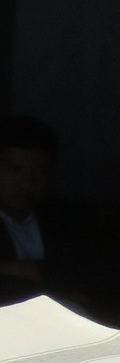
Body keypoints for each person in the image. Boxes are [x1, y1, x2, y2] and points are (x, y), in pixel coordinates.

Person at [0, 116, 57, 307]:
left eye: (39, 172)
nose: (27, 183)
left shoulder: (64, 218)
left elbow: (87, 274)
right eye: (15, 170)